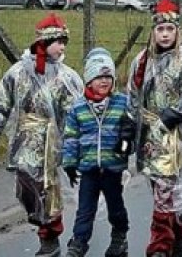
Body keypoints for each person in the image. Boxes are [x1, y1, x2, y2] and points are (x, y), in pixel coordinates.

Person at [0, 14, 84, 257]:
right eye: (58, 42)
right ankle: (41, 221)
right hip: (25, 138)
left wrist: (74, 148)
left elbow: (75, 114)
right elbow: (2, 103)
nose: (62, 47)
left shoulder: (66, 77)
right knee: (26, 183)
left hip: (51, 141)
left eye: (64, 42)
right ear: (44, 43)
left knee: (48, 187)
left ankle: (50, 236)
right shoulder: (19, 72)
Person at [128, 0, 182, 257]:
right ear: (153, 32)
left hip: (176, 134)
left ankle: (160, 245)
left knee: (167, 188)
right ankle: (175, 235)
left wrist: (175, 114)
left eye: (170, 29)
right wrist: (131, 129)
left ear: (177, 31)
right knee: (162, 190)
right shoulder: (142, 61)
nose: (164, 34)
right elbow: (133, 95)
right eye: (160, 30)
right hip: (151, 136)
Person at [61, 48, 134, 257]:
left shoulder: (122, 102)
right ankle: (78, 242)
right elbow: (71, 136)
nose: (104, 81)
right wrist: (69, 162)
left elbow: (131, 133)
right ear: (89, 80)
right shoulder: (79, 107)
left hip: (113, 166)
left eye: (108, 77)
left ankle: (119, 236)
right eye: (99, 77)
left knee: (115, 206)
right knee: (85, 209)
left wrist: (128, 138)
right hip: (89, 168)